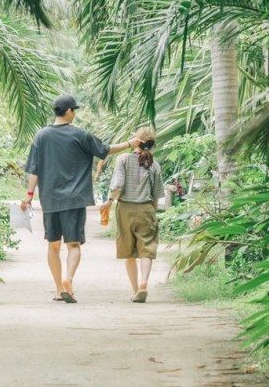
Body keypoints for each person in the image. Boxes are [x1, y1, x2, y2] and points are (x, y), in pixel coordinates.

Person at [21, 94, 139, 303]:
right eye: (74, 110)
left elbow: (34, 170)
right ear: (68, 111)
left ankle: (59, 289)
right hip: (74, 200)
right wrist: (130, 143)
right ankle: (68, 280)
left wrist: (29, 195)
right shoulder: (80, 135)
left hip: (50, 200)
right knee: (73, 245)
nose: (74, 114)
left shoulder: (41, 136)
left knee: (53, 245)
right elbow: (105, 150)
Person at [99, 127, 163, 303]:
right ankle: (143, 284)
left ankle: (135, 290)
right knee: (147, 249)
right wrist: (152, 212)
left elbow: (118, 184)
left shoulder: (123, 159)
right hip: (146, 209)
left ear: (136, 141)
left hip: (125, 209)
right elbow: (157, 194)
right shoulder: (155, 165)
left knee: (129, 251)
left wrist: (109, 201)